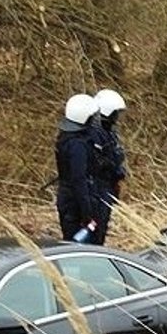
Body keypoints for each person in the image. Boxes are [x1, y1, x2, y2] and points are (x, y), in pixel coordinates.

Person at [55, 94, 104, 244]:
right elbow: (79, 179)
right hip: (75, 203)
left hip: (68, 198)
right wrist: (87, 213)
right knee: (80, 245)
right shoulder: (78, 145)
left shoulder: (65, 137)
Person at [90, 89, 127, 243]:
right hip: (98, 188)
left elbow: (115, 157)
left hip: (107, 186)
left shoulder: (109, 132)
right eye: (115, 113)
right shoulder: (94, 133)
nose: (117, 117)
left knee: (102, 228)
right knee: (95, 228)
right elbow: (99, 162)